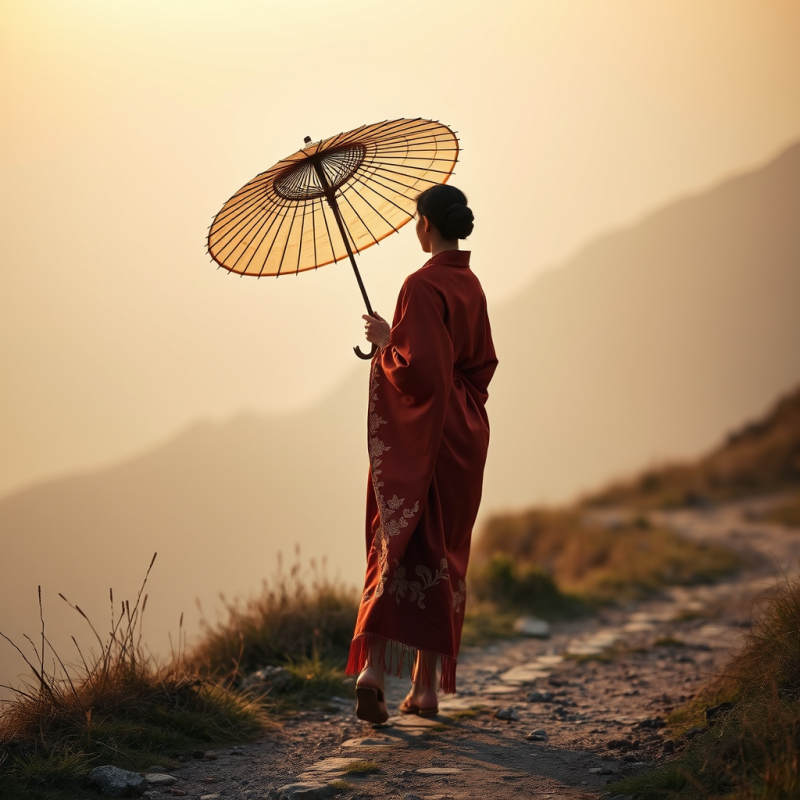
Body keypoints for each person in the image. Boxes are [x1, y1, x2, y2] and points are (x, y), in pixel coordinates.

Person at [345, 183, 498, 724]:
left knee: (398, 536)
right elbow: (478, 367)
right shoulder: (471, 285)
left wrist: (387, 342)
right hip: (464, 433)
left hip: (424, 432)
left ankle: (372, 673)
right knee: (444, 551)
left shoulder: (420, 285)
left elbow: (419, 372)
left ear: (425, 226)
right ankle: (425, 688)